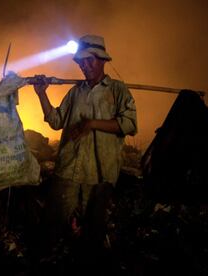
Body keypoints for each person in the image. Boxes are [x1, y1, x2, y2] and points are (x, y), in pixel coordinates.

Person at [33, 35, 137, 254]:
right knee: (52, 226)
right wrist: (42, 94)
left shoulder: (118, 90)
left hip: (99, 174)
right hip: (69, 167)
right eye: (81, 61)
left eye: (90, 60)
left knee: (93, 232)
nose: (84, 66)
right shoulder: (75, 92)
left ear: (102, 60)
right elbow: (55, 121)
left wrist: (92, 124)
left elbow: (128, 124)